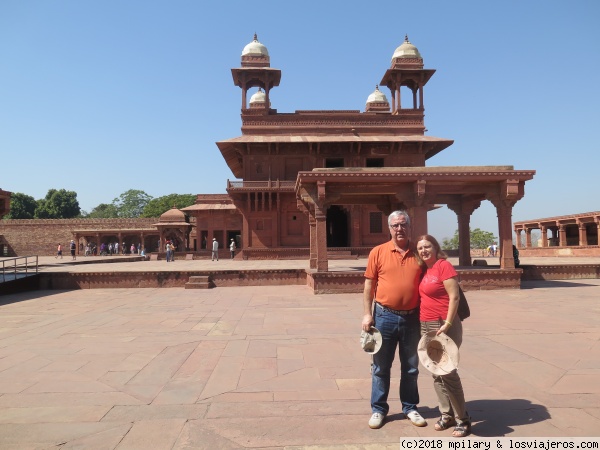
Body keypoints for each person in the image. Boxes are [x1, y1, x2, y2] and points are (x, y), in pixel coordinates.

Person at [362, 210, 426, 429]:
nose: (400, 228)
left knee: (410, 367)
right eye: (395, 225)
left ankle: (410, 407)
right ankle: (378, 409)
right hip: (384, 315)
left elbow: (433, 281)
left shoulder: (419, 252)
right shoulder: (378, 252)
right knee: (381, 366)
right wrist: (367, 313)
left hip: (412, 318)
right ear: (389, 228)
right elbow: (369, 285)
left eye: (403, 224)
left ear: (410, 226)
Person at [416, 234, 471, 438]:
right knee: (435, 372)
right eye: (420, 248)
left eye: (427, 246)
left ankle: (463, 419)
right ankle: (446, 414)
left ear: (436, 247)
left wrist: (447, 323)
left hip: (444, 325)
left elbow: (454, 296)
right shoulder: (425, 269)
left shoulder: (443, 266)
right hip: (427, 325)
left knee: (448, 372)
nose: (424, 251)